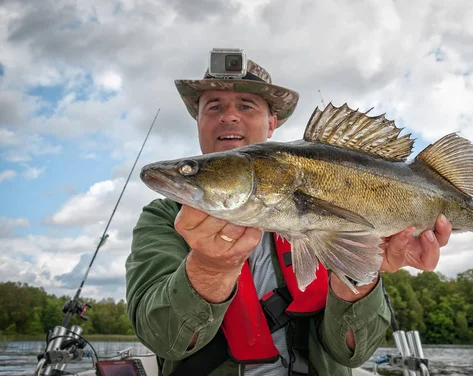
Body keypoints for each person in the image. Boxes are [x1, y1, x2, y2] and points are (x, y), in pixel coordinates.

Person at [125, 53, 452, 376]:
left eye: (246, 105)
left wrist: (359, 274)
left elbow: (353, 354)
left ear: (271, 124)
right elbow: (163, 338)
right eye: (214, 106)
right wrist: (209, 269)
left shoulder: (306, 179)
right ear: (198, 121)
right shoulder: (164, 217)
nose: (229, 116)